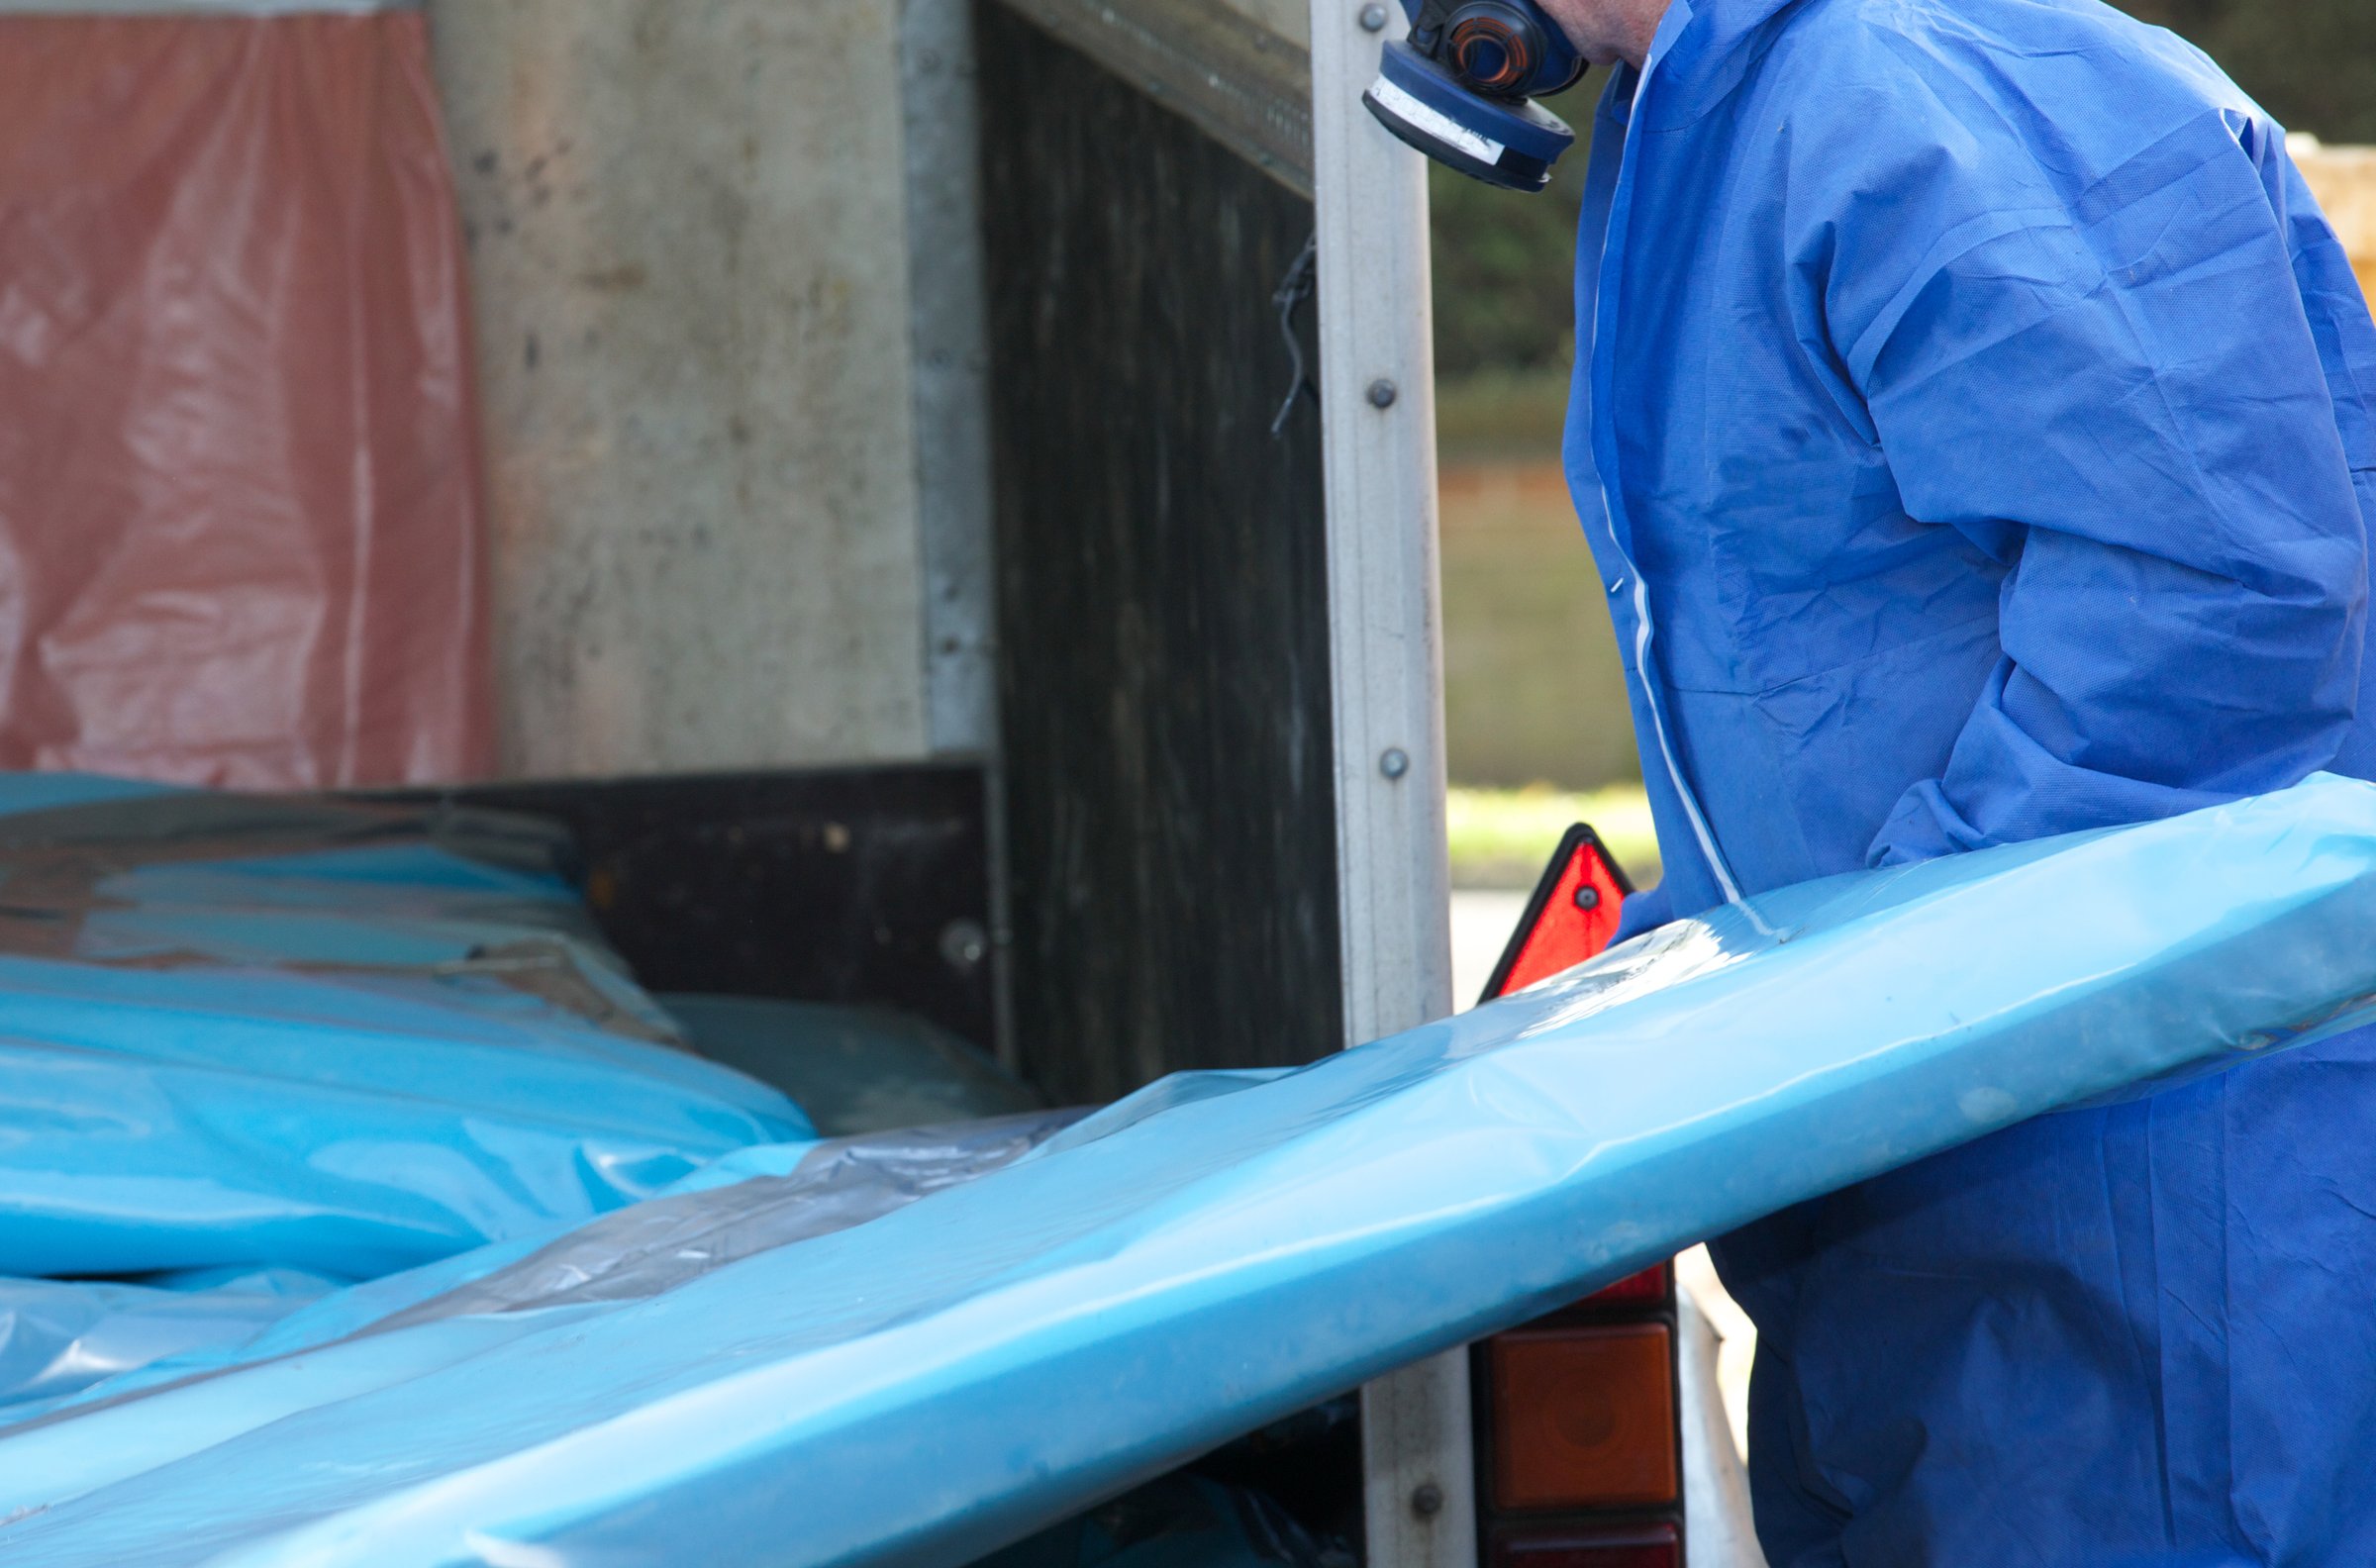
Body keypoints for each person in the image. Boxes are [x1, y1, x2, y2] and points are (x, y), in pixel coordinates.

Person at [1528, 0, 2376, 1561]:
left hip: (2146, 1250)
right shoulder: (1719, 105)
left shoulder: (1913, 76)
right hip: (1940, 1236)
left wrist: (1837, 1012)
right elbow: (1830, 682)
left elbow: (2203, 631)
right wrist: (1681, 965)